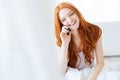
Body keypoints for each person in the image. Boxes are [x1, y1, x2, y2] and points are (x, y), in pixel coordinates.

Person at [54, 2, 104, 80]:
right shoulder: (62, 39)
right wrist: (65, 43)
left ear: (77, 13)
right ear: (61, 24)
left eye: (71, 14)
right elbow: (62, 71)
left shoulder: (95, 31)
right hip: (73, 75)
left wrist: (92, 77)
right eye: (64, 19)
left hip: (91, 72)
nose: (70, 20)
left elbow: (100, 62)